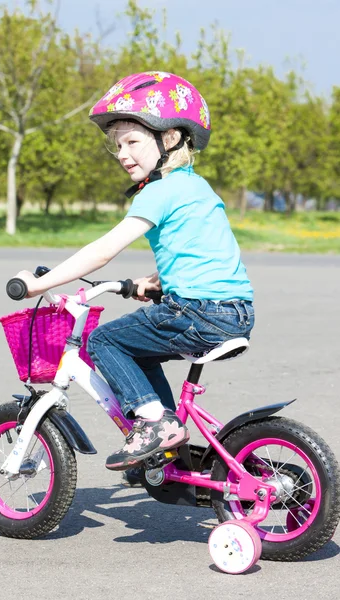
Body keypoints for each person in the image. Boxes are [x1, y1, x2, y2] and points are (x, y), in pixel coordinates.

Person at [14, 71, 254, 473]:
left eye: (132, 141)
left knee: (106, 340)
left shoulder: (159, 191)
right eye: (117, 145)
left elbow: (103, 251)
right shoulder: (196, 187)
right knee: (139, 351)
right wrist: (154, 284)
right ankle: (166, 444)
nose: (123, 153)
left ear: (171, 137)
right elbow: (203, 254)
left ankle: (154, 423)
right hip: (234, 310)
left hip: (199, 312)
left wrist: (39, 283)